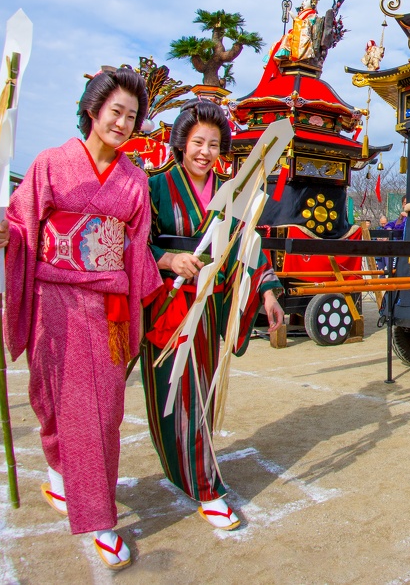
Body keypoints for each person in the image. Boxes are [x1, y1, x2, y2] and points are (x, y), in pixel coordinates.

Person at [0, 67, 161, 570]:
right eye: (116, 112)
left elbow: (136, 249)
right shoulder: (51, 163)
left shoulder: (135, 181)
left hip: (107, 307)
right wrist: (4, 236)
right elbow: (22, 224)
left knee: (101, 413)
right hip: (54, 298)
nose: (123, 123)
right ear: (92, 110)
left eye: (132, 116)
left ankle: (100, 518)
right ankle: (60, 475)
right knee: (50, 398)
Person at [141, 99, 286, 530]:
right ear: (181, 143)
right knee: (174, 393)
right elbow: (135, 243)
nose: (205, 152)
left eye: (214, 144)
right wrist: (168, 259)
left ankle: (194, 476)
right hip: (168, 305)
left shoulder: (232, 192)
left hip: (209, 306)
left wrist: (268, 293)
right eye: (197, 142)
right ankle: (200, 484)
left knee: (198, 393)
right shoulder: (155, 187)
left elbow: (247, 244)